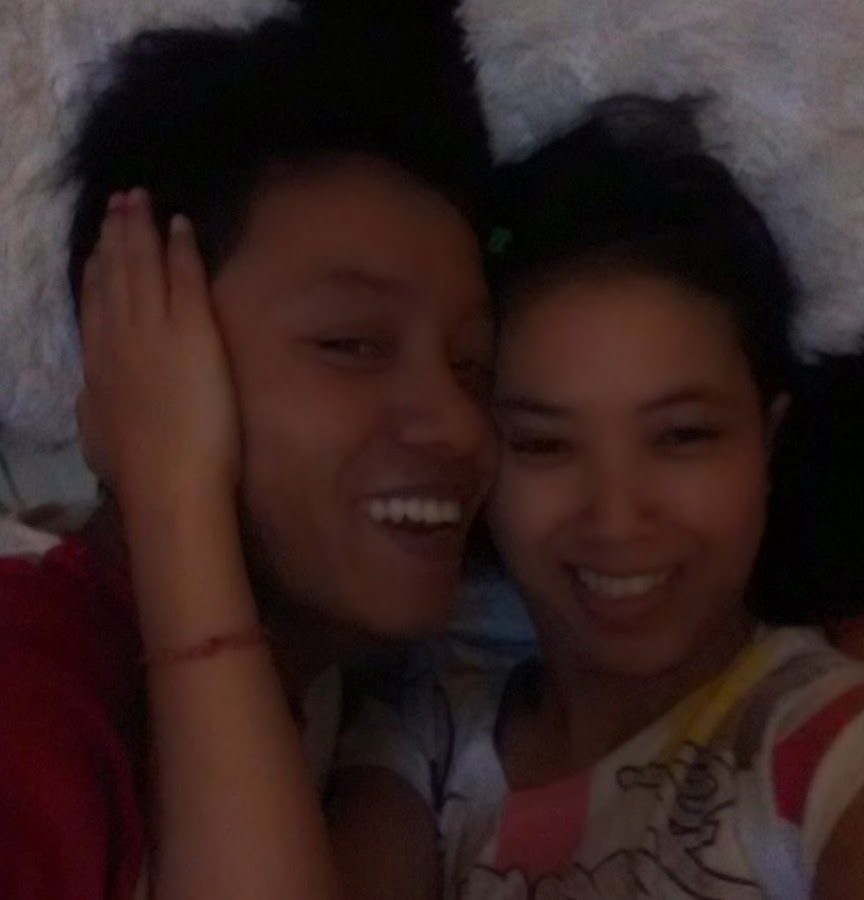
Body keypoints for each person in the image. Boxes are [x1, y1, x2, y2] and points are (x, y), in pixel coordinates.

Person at [336, 97, 864, 899]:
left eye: (683, 437)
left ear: (767, 443)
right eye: (543, 444)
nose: (616, 517)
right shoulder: (419, 742)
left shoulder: (849, 756)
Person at [0, 2, 497, 898]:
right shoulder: (29, 691)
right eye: (352, 344)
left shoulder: (359, 702)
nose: (460, 426)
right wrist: (174, 493)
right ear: (143, 357)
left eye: (474, 367)